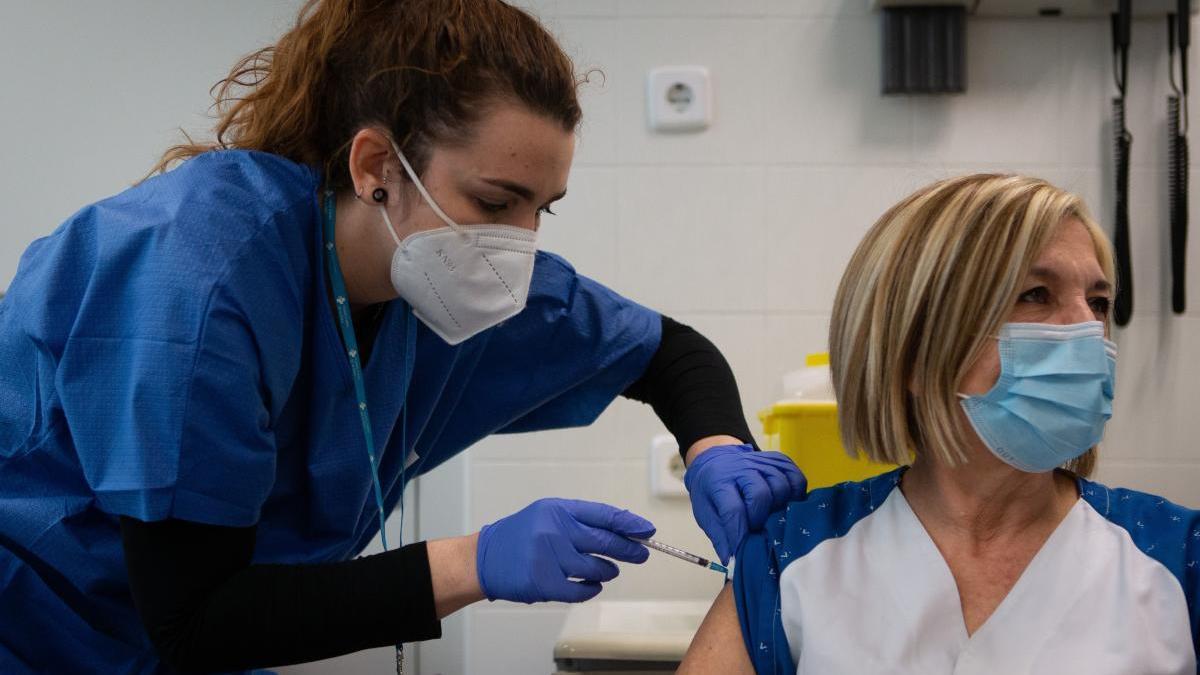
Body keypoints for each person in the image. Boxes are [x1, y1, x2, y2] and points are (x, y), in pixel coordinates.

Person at [0, 1, 804, 671]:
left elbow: (670, 351)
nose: (520, 243)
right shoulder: (201, 276)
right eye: (497, 200)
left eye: (543, 208)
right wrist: (476, 561)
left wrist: (717, 448)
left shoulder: (442, 277)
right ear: (375, 163)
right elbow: (196, 615)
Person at [678, 174, 1200, 674]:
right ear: (913, 350)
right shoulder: (792, 555)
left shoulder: (1179, 555)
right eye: (1036, 294)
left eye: (1099, 301)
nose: (1088, 328)